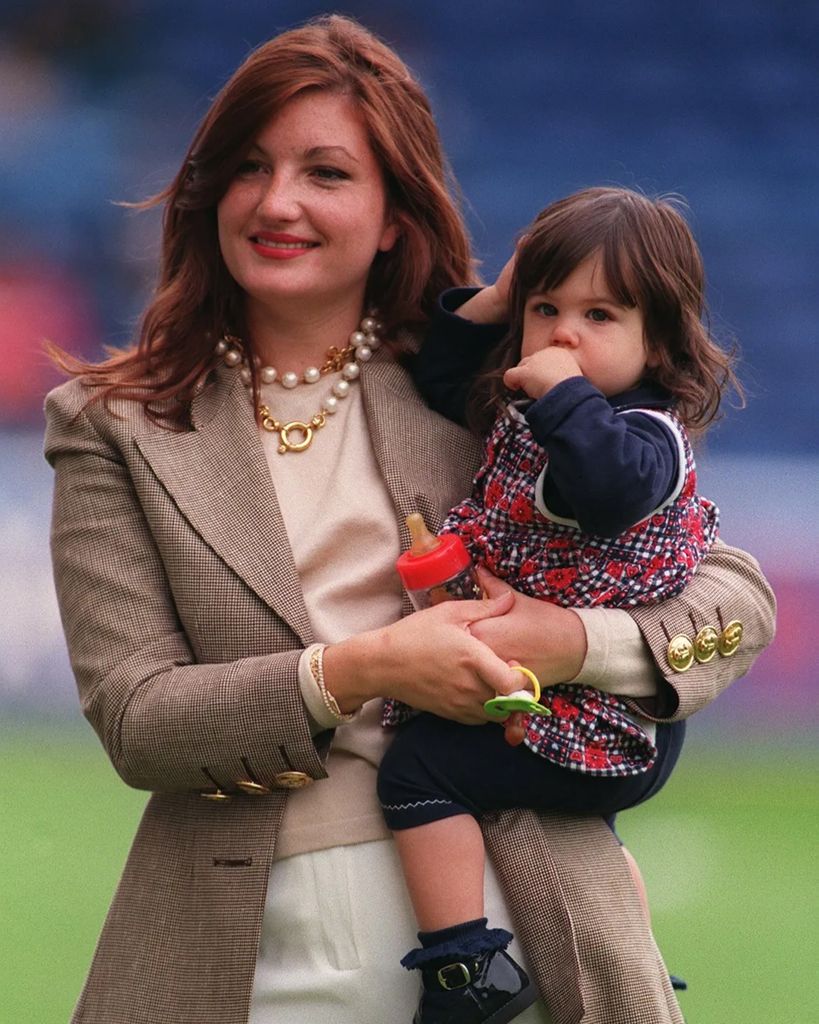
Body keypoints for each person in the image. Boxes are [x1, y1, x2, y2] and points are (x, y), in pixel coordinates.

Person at [43, 15, 775, 1024]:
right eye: (249, 165)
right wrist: (366, 669)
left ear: (394, 212)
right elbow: (139, 721)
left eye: (327, 173)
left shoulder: (490, 387)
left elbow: (735, 601)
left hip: (532, 931)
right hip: (244, 952)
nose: (278, 201)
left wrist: (571, 642)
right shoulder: (112, 423)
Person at [377, 186, 742, 1022]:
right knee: (587, 840)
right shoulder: (538, 409)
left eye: (599, 316)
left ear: (658, 340)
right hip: (558, 700)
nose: (563, 335)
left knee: (419, 770)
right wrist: (498, 302)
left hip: (607, 717)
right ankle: (629, 957)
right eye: (546, 309)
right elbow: (440, 380)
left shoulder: (642, 436)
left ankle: (463, 970)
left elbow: (607, 491)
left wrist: (563, 394)